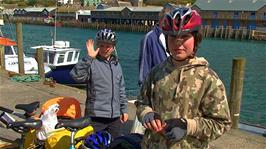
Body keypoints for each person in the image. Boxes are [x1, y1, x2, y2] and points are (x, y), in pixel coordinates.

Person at [135, 6, 231, 149]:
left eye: (185, 36)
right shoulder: (156, 73)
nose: (178, 42)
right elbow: (142, 102)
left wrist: (188, 126)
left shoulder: (209, 79)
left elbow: (221, 123)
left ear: (196, 40)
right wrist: (146, 114)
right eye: (173, 37)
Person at [70, 29, 128, 139]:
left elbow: (121, 89)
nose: (105, 49)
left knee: (114, 145)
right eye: (101, 45)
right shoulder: (92, 63)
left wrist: (124, 110)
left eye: (108, 46)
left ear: (113, 47)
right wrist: (89, 58)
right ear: (97, 45)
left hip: (114, 118)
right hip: (95, 117)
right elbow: (76, 76)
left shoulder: (117, 65)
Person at [138, 5, 174, 86]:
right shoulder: (149, 38)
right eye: (168, 19)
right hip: (157, 89)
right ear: (162, 19)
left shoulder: (174, 37)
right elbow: (144, 67)